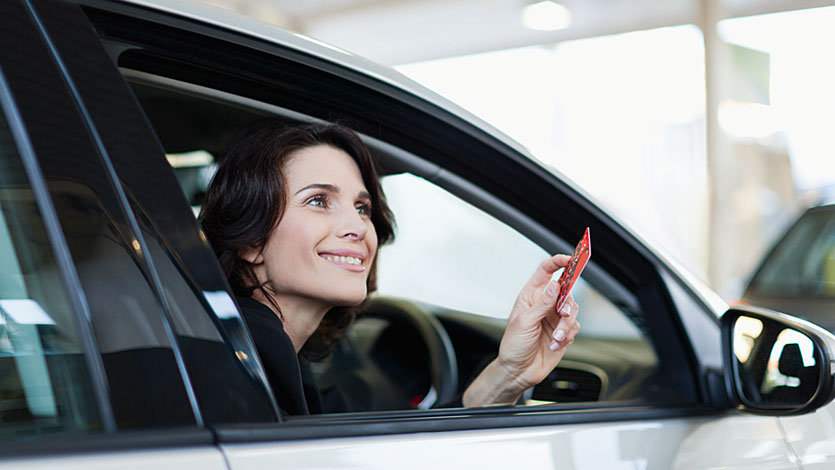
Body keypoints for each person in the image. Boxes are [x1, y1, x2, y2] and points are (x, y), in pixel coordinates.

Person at [200, 121, 580, 415]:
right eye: (318, 200)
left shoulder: (261, 356)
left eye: (362, 208)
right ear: (251, 239)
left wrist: (509, 373)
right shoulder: (232, 368)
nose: (359, 227)